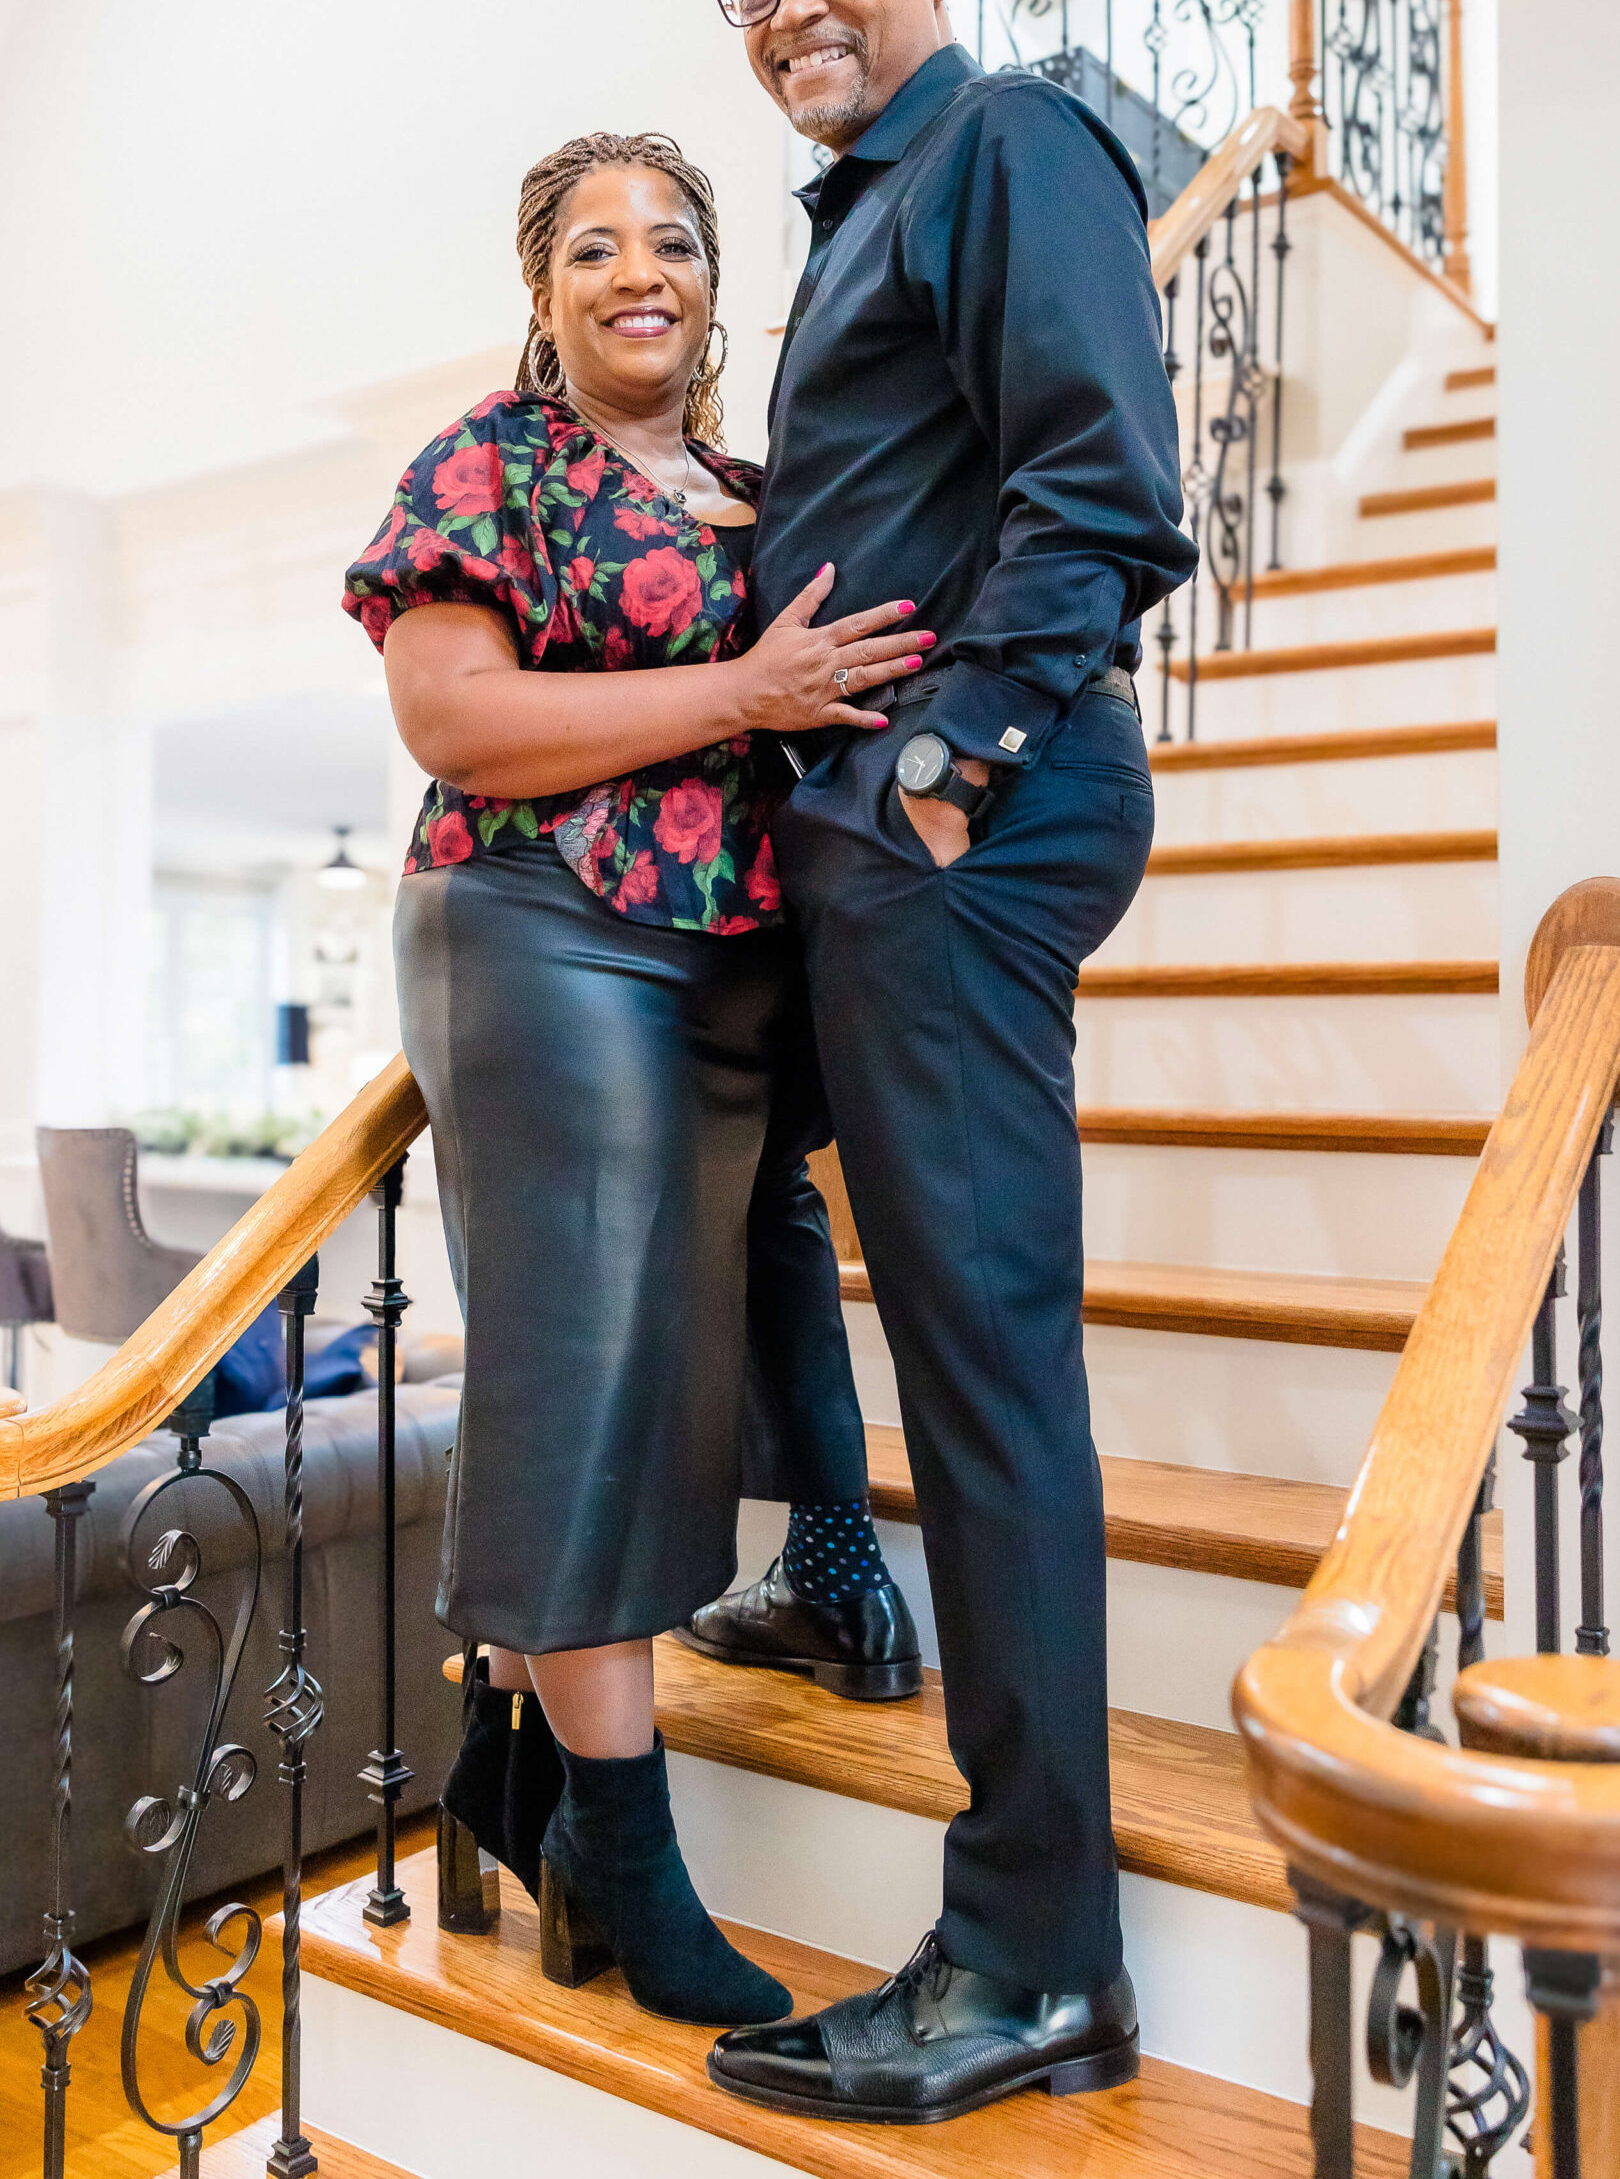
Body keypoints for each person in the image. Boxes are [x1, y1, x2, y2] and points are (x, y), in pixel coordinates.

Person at [697, 0, 1197, 2123]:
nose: (794, 0)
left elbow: (1102, 482)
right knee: (755, 1212)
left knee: (989, 1379)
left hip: (955, 834)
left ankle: (1033, 1951)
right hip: (877, 844)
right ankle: (825, 1576)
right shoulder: (867, 220)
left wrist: (946, 768)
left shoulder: (1002, 141)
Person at [341, 130, 930, 2027]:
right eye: (592, 247)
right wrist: (740, 694)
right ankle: (623, 1842)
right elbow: (457, 718)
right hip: (540, 925)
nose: (636, 271)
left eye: (670, 239)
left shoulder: (769, 497)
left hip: (723, 975)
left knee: (661, 1373)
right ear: (545, 292)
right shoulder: (490, 465)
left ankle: (511, 1763)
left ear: (711, 282)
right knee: (590, 1366)